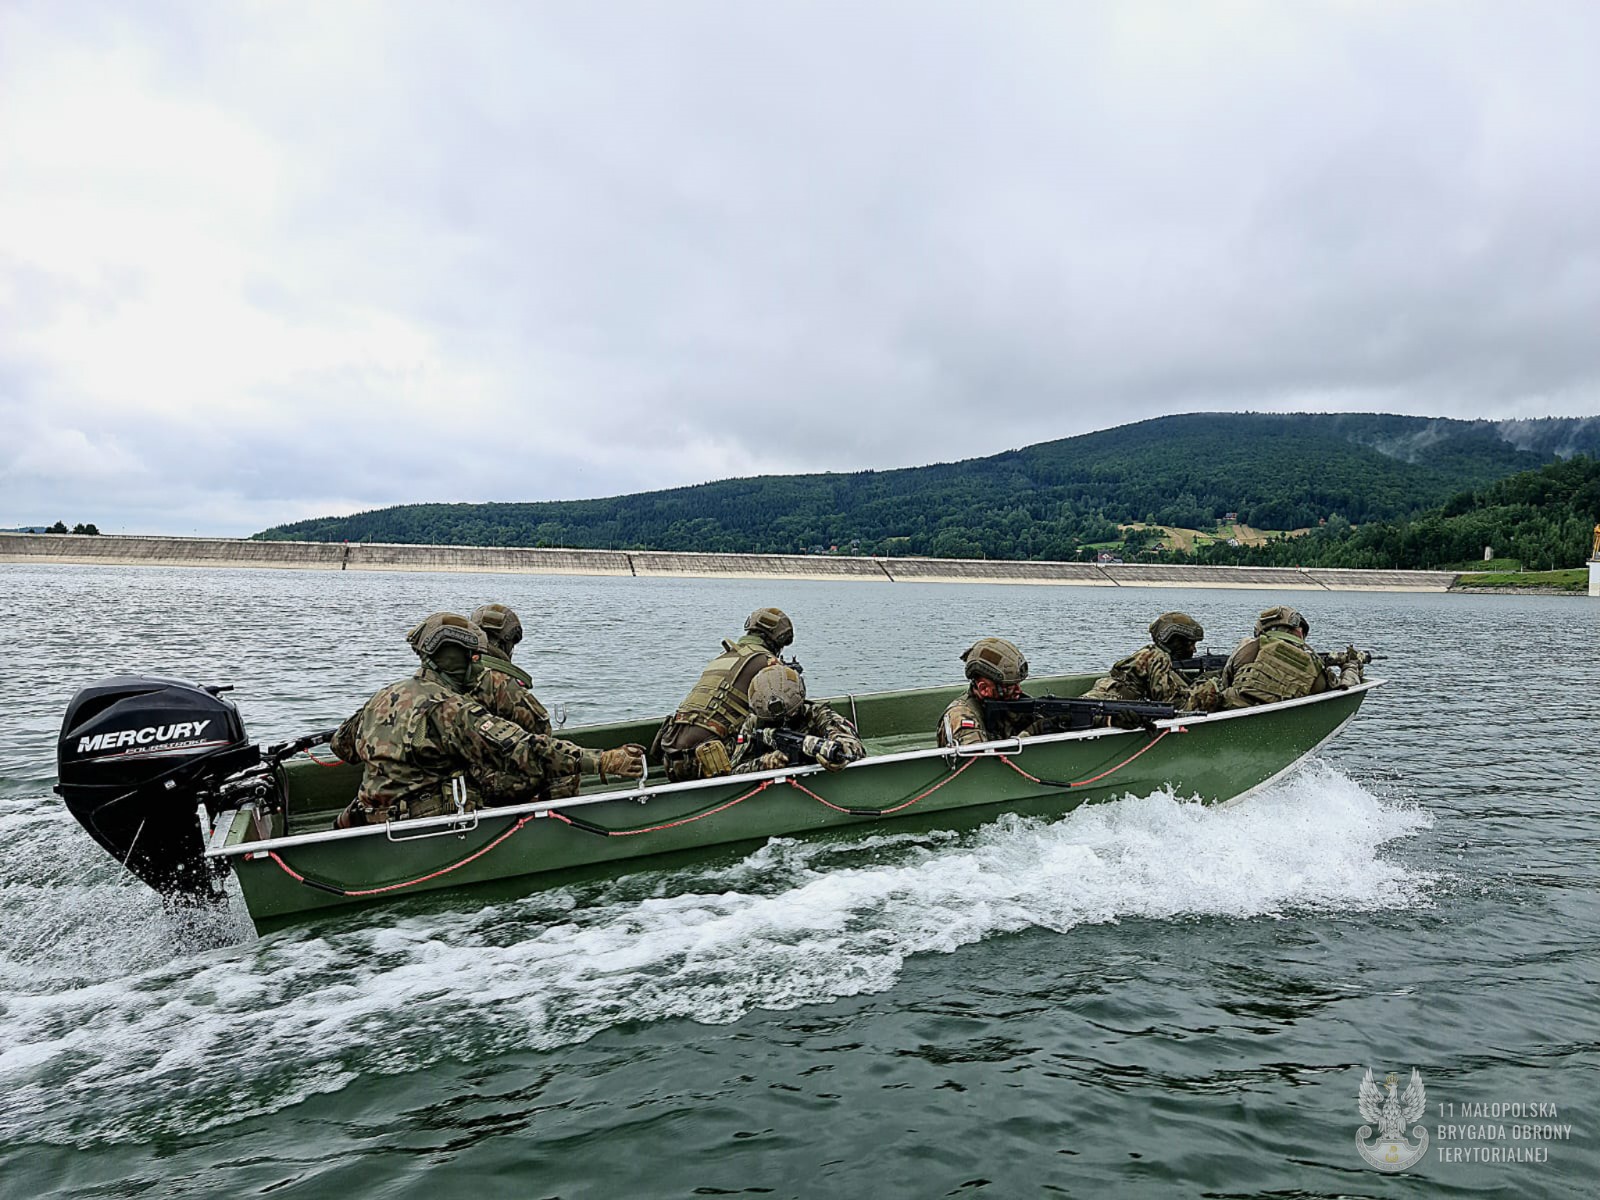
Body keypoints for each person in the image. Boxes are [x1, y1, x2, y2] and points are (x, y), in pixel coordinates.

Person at [331, 612, 643, 828]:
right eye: (475, 659)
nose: (480, 668)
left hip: (372, 819)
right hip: (425, 827)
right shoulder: (452, 709)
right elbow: (526, 749)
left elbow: (341, 746)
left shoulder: (383, 697)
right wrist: (603, 761)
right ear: (460, 661)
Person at [652, 607, 796, 781]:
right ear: (778, 639)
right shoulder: (769, 663)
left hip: (670, 758)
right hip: (708, 761)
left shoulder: (725, 657)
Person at [465, 603, 577, 799]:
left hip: (453, 779)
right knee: (566, 766)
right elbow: (541, 733)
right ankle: (547, 815)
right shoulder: (503, 685)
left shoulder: (448, 675)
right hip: (483, 784)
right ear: (507, 645)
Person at [1081, 611, 1222, 723]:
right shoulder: (1158, 658)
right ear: (1175, 641)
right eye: (1190, 644)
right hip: (1102, 708)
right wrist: (1214, 687)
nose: (1194, 650)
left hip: (1103, 703)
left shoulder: (1151, 655)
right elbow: (1172, 706)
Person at [1218, 605, 1362, 709]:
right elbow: (1343, 692)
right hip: (1279, 719)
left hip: (1230, 709)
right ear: (1298, 631)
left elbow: (1225, 682)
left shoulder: (1245, 648)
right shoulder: (1311, 663)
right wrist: (1351, 666)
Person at [730, 663, 865, 773]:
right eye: (776, 720)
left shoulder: (816, 714)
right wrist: (763, 763)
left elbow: (852, 743)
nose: (785, 721)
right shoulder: (754, 723)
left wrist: (839, 754)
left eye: (792, 713)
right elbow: (735, 770)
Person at [936, 637, 1051, 747]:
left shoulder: (1008, 704)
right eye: (1009, 687)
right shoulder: (961, 716)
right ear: (984, 689)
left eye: (1018, 684)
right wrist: (1033, 731)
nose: (1018, 691)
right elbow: (982, 758)